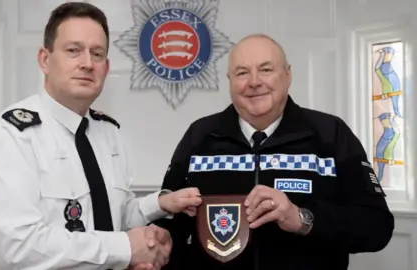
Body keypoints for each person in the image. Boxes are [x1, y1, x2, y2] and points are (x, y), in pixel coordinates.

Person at [0, 2, 201, 270]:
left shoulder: (109, 132)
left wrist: (159, 208)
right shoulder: (10, 135)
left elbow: (114, 216)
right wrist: (126, 248)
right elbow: (16, 248)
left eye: (97, 53)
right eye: (73, 51)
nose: (87, 63)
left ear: (106, 66)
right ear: (45, 60)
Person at [153, 34, 395, 270]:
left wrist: (302, 219)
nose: (254, 81)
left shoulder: (331, 134)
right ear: (229, 80)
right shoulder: (199, 137)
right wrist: (156, 245)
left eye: (266, 70)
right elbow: (169, 220)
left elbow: (377, 227)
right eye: (242, 72)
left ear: (287, 75)